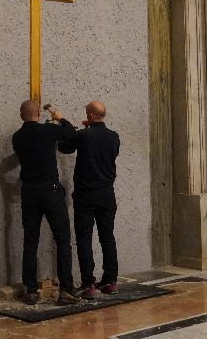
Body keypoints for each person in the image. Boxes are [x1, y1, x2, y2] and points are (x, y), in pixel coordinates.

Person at [12, 99, 80, 305]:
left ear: (21, 114)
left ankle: (31, 290)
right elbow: (72, 134)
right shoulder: (49, 130)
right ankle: (66, 290)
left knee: (30, 242)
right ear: (39, 115)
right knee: (62, 239)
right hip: (50, 190)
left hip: (29, 192)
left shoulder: (17, 137)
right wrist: (60, 118)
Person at [59, 100, 120, 299]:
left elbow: (65, 148)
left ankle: (88, 284)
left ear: (91, 116)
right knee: (107, 237)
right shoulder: (114, 137)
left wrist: (67, 127)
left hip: (86, 195)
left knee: (84, 238)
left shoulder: (83, 136)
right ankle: (110, 281)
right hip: (107, 194)